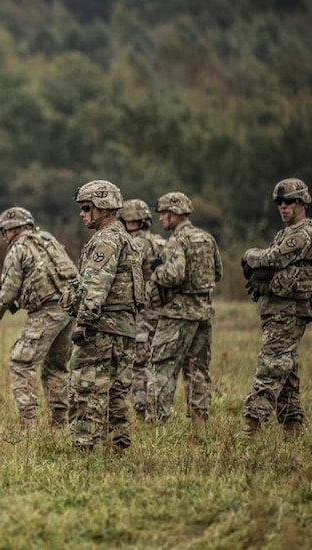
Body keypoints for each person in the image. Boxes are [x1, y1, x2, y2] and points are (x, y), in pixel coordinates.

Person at [0, 206, 77, 428]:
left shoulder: (18, 249)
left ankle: (28, 424)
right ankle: (60, 423)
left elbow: (10, 290)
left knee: (22, 364)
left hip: (46, 312)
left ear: (10, 230)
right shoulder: (48, 240)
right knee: (57, 367)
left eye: (5, 231)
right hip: (69, 310)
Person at [63, 180, 143, 451]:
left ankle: (84, 446)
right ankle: (118, 443)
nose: (82, 214)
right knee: (116, 391)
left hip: (102, 327)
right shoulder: (125, 238)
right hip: (123, 328)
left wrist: (83, 322)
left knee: (87, 385)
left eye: (86, 208)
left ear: (103, 208)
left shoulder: (106, 240)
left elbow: (96, 285)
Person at [241, 178, 312, 436]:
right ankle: (293, 427)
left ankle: (251, 427)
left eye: (290, 202)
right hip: (277, 309)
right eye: (279, 203)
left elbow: (275, 256)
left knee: (271, 365)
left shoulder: (304, 233)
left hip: (290, 311)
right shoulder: (284, 233)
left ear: (303, 202)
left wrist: (251, 255)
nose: (283, 207)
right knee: (287, 371)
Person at [146, 192, 222, 423]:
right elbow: (218, 272)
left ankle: (156, 423)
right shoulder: (207, 238)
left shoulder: (176, 241)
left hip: (178, 313)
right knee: (198, 369)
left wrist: (157, 270)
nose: (161, 218)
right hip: (203, 311)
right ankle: (200, 421)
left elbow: (174, 275)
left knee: (162, 366)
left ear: (175, 213)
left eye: (164, 213)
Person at [118, 199, 167, 419]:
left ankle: (142, 409)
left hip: (142, 310)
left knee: (138, 363)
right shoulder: (161, 242)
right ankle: (156, 406)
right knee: (157, 360)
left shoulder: (135, 244)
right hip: (162, 310)